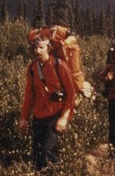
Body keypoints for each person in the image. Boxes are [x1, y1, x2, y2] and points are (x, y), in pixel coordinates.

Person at [19, 34, 76, 171]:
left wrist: (64, 118)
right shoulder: (32, 68)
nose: (37, 51)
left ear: (48, 48)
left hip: (55, 115)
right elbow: (29, 95)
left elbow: (71, 94)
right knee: (37, 156)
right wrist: (24, 118)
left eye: (41, 47)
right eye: (35, 48)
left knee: (48, 151)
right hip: (38, 116)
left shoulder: (59, 65)